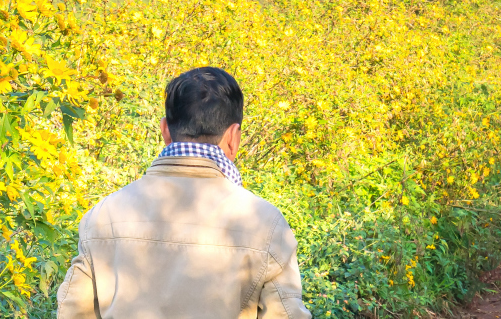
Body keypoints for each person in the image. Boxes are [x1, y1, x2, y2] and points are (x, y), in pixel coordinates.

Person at [56, 67, 311, 319]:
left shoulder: (103, 215)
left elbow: (73, 311)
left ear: (165, 130)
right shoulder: (265, 223)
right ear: (234, 137)